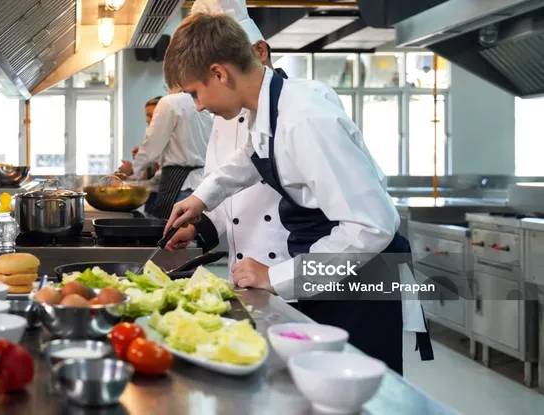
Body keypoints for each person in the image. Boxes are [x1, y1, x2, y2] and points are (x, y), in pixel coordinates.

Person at [161, 12, 434, 375]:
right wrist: (202, 199)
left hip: (360, 281)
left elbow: (372, 227)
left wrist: (276, 277)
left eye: (195, 92)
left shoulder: (306, 118)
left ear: (219, 73)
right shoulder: (272, 108)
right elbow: (251, 158)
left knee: (354, 394)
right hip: (332, 273)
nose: (197, 106)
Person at [122, 90, 213, 219]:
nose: (149, 120)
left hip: (180, 187)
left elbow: (151, 154)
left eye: (153, 115)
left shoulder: (170, 104)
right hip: (196, 185)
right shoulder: (204, 113)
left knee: (173, 232)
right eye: (147, 116)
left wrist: (131, 171)